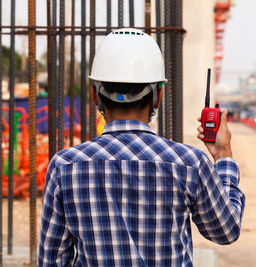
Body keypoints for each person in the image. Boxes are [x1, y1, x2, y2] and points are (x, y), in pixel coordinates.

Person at [39, 28, 245, 266]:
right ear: (158, 96)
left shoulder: (65, 167)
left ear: (95, 96)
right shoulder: (189, 163)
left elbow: (51, 260)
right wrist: (224, 156)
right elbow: (226, 230)